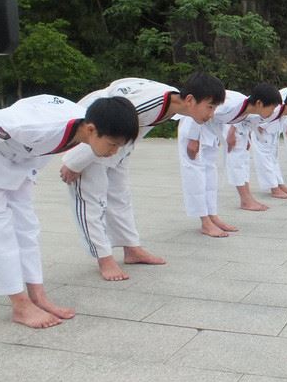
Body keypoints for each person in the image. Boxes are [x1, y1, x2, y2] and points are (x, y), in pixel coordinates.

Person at [0, 94, 139, 327]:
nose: (114, 152)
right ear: (92, 129)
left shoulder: (81, 124)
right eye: (113, 144)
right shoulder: (34, 125)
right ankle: (20, 305)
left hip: (19, 166)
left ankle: (37, 296)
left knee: (28, 227)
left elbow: (44, 101)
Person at [61, 73, 225, 281]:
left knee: (120, 194)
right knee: (91, 196)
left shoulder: (172, 102)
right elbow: (100, 123)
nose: (212, 114)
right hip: (94, 133)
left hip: (121, 142)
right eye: (210, 106)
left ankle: (131, 248)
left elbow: (123, 84)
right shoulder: (148, 103)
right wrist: (75, 162)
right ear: (191, 100)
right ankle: (104, 258)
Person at [213, 84, 282, 212]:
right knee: (236, 160)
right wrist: (230, 133)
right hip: (200, 124)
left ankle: (247, 198)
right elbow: (200, 113)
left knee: (243, 160)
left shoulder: (250, 107)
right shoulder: (232, 103)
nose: (273, 112)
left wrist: (249, 136)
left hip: (227, 125)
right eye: (272, 108)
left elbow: (245, 119)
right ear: (260, 103)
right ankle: (245, 200)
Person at [177, 115, 238, 237]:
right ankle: (205, 222)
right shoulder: (234, 103)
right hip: (193, 126)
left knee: (211, 174)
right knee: (195, 175)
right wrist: (193, 137)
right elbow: (197, 106)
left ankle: (212, 216)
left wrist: (225, 134)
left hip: (209, 130)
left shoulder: (234, 103)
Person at [250, 88, 287, 199]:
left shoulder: (282, 111)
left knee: (274, 159)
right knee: (265, 159)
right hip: (260, 135)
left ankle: (279, 184)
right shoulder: (274, 109)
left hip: (270, 135)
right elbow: (255, 119)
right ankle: (274, 188)